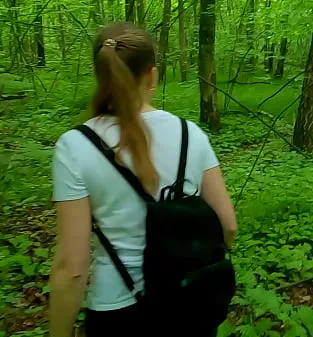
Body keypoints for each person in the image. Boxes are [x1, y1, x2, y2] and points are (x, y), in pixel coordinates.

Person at [48, 22, 238, 337]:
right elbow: (227, 226)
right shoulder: (191, 135)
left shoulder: (75, 146)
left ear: (101, 75)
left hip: (117, 313)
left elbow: (72, 268)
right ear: (152, 75)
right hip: (188, 304)